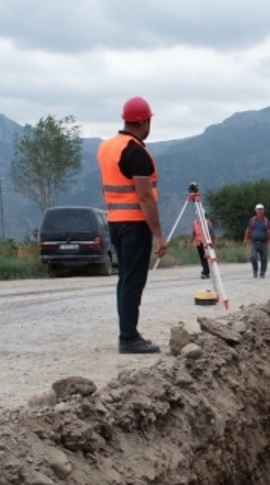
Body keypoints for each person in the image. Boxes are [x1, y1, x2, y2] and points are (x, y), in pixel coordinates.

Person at [97, 95, 168, 354]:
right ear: (145, 122)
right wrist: (159, 235)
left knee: (124, 279)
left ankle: (127, 333)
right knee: (133, 281)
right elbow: (145, 196)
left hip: (114, 222)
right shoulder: (136, 152)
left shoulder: (107, 147)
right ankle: (128, 338)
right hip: (135, 224)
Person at [243, 203, 270, 278]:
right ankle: (255, 271)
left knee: (264, 259)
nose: (260, 211)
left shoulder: (266, 221)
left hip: (264, 243)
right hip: (254, 243)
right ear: (256, 211)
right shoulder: (252, 220)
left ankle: (262, 272)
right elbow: (248, 229)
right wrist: (245, 239)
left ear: (263, 211)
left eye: (261, 210)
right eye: (258, 210)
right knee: (253, 257)